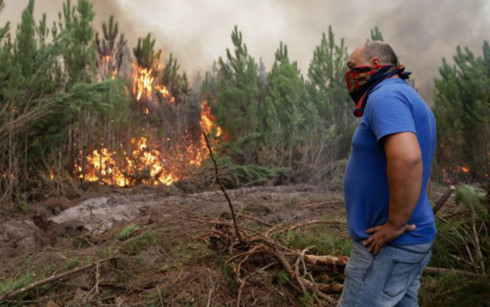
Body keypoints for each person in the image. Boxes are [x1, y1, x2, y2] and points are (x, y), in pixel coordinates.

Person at [339, 41, 437, 306]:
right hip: (409, 242)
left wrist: (395, 224)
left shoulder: (385, 97)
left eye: (352, 67)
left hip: (387, 248)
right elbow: (424, 171)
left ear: (375, 65)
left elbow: (408, 159)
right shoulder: (406, 96)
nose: (349, 74)